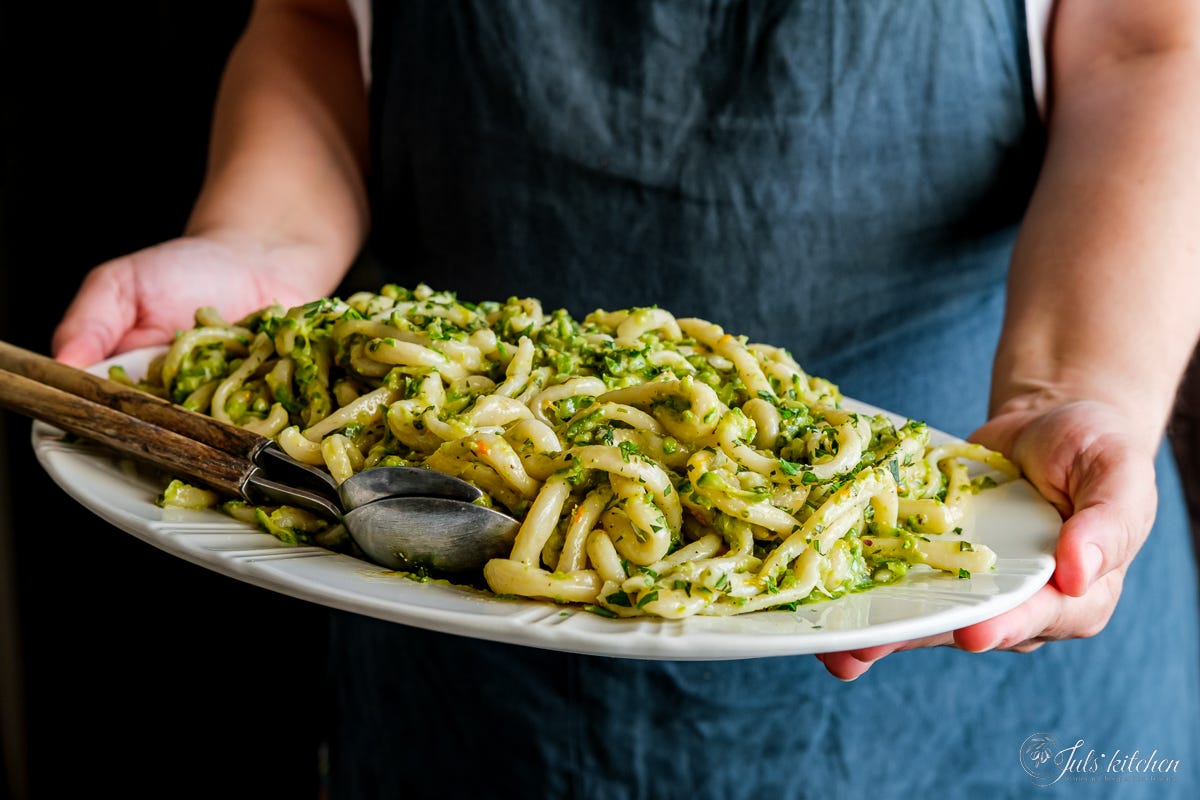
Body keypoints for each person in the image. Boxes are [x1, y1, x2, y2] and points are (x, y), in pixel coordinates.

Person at [52, 0, 1200, 796]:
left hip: (954, 548)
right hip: (444, 570)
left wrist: (1071, 384)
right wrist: (260, 246)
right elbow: (313, 23)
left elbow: (1146, 43)